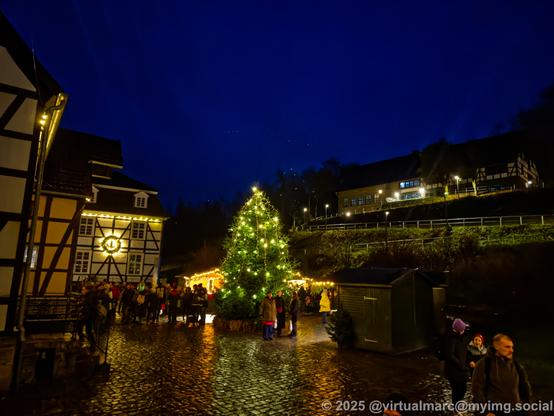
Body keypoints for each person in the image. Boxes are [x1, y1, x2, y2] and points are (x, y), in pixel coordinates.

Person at [471, 334, 531, 416]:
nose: (511, 350)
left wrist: (525, 408)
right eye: (507, 347)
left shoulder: (516, 365)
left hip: (516, 411)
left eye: (512, 347)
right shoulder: (484, 364)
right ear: (496, 347)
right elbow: (477, 389)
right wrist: (486, 412)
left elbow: (524, 388)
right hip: (494, 412)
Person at [444, 318, 470, 405]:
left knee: (462, 388)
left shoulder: (459, 338)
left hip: (460, 370)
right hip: (454, 371)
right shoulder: (451, 339)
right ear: (459, 330)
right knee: (457, 389)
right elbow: (449, 355)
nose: (464, 330)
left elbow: (463, 352)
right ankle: (456, 407)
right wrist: (461, 365)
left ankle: (457, 405)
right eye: (463, 329)